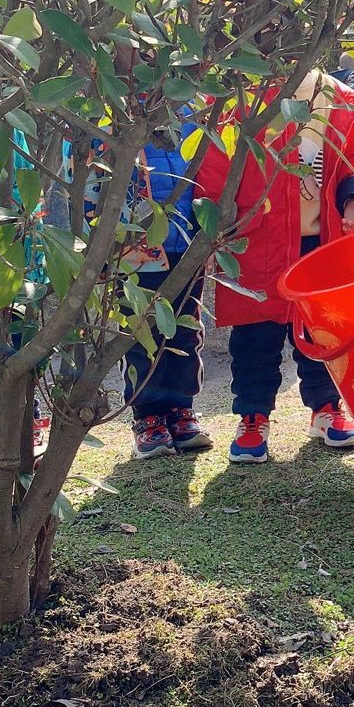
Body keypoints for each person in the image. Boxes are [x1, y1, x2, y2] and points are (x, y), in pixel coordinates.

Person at [194, 70, 354, 465]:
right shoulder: (236, 97)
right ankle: (252, 415)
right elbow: (213, 164)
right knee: (255, 332)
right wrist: (214, 220)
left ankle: (327, 407)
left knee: (324, 331)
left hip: (322, 238)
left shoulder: (341, 98)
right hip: (257, 237)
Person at [102, 127, 212, 461]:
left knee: (185, 330)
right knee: (139, 334)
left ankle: (181, 409)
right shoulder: (117, 119)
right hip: (134, 249)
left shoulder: (192, 119)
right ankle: (147, 416)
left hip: (187, 245)